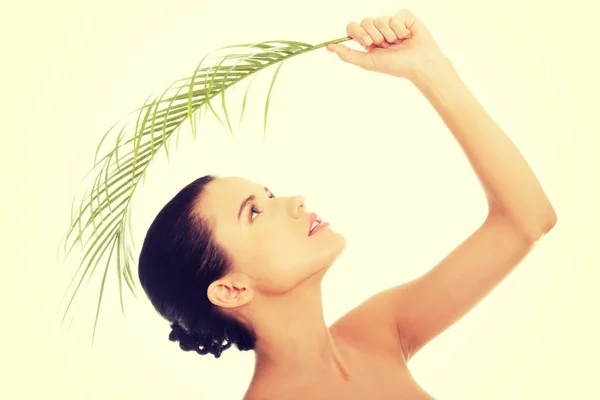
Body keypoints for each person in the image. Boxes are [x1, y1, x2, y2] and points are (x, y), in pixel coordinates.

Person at [138, 9, 557, 400]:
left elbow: (526, 220)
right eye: (254, 211)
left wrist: (430, 70)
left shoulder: (375, 333)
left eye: (268, 194)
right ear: (231, 289)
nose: (294, 201)